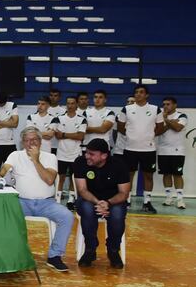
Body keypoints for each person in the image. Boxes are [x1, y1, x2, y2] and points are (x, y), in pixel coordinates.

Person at [2, 127, 74, 272]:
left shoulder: (50, 157)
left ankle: (54, 256)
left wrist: (35, 160)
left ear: (40, 142)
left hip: (46, 203)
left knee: (67, 216)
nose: (30, 143)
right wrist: (0, 174)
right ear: (22, 142)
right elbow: (5, 170)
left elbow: (49, 180)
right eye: (27, 140)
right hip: (21, 201)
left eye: (34, 140)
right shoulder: (15, 155)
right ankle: (11, 253)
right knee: (3, 214)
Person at [73, 139, 131, 269]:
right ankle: (90, 249)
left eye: (91, 154)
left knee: (117, 213)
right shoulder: (80, 162)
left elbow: (123, 193)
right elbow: (82, 190)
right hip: (89, 199)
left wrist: (108, 203)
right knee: (87, 209)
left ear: (104, 156)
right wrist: (98, 202)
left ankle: (113, 250)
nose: (87, 156)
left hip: (114, 200)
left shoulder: (119, 165)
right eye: (86, 152)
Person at [116, 84, 164, 213]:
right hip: (130, 148)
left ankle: (147, 202)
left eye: (141, 92)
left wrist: (149, 137)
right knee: (128, 176)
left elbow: (160, 127)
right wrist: (132, 136)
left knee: (148, 176)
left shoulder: (155, 109)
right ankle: (127, 200)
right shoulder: (126, 109)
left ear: (147, 95)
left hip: (148, 150)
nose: (138, 94)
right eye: (136, 92)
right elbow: (120, 127)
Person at [54, 96, 87, 211]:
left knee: (74, 178)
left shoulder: (82, 119)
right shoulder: (59, 118)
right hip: (61, 153)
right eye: (68, 103)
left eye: (72, 103)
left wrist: (64, 134)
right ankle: (57, 199)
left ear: (76, 105)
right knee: (60, 177)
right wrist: (73, 135)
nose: (70, 105)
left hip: (75, 154)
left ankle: (70, 200)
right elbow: (57, 135)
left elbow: (81, 136)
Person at [156, 97, 188, 209]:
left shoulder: (181, 116)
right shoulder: (159, 116)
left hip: (177, 151)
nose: (165, 106)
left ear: (175, 105)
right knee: (166, 174)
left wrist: (167, 121)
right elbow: (158, 132)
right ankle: (169, 197)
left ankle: (180, 199)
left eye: (168, 104)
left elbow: (178, 128)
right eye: (164, 104)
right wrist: (169, 122)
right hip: (163, 151)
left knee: (178, 175)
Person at [0, 92, 19, 163]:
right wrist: (8, 122)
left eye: (4, 103)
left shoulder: (12, 105)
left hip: (9, 143)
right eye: (0, 103)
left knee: (12, 169)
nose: (2, 105)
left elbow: (15, 124)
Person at [47, 88, 65, 153]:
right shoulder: (44, 110)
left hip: (59, 145)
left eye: (55, 96)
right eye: (51, 95)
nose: (53, 98)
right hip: (46, 144)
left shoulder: (64, 111)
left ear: (59, 97)